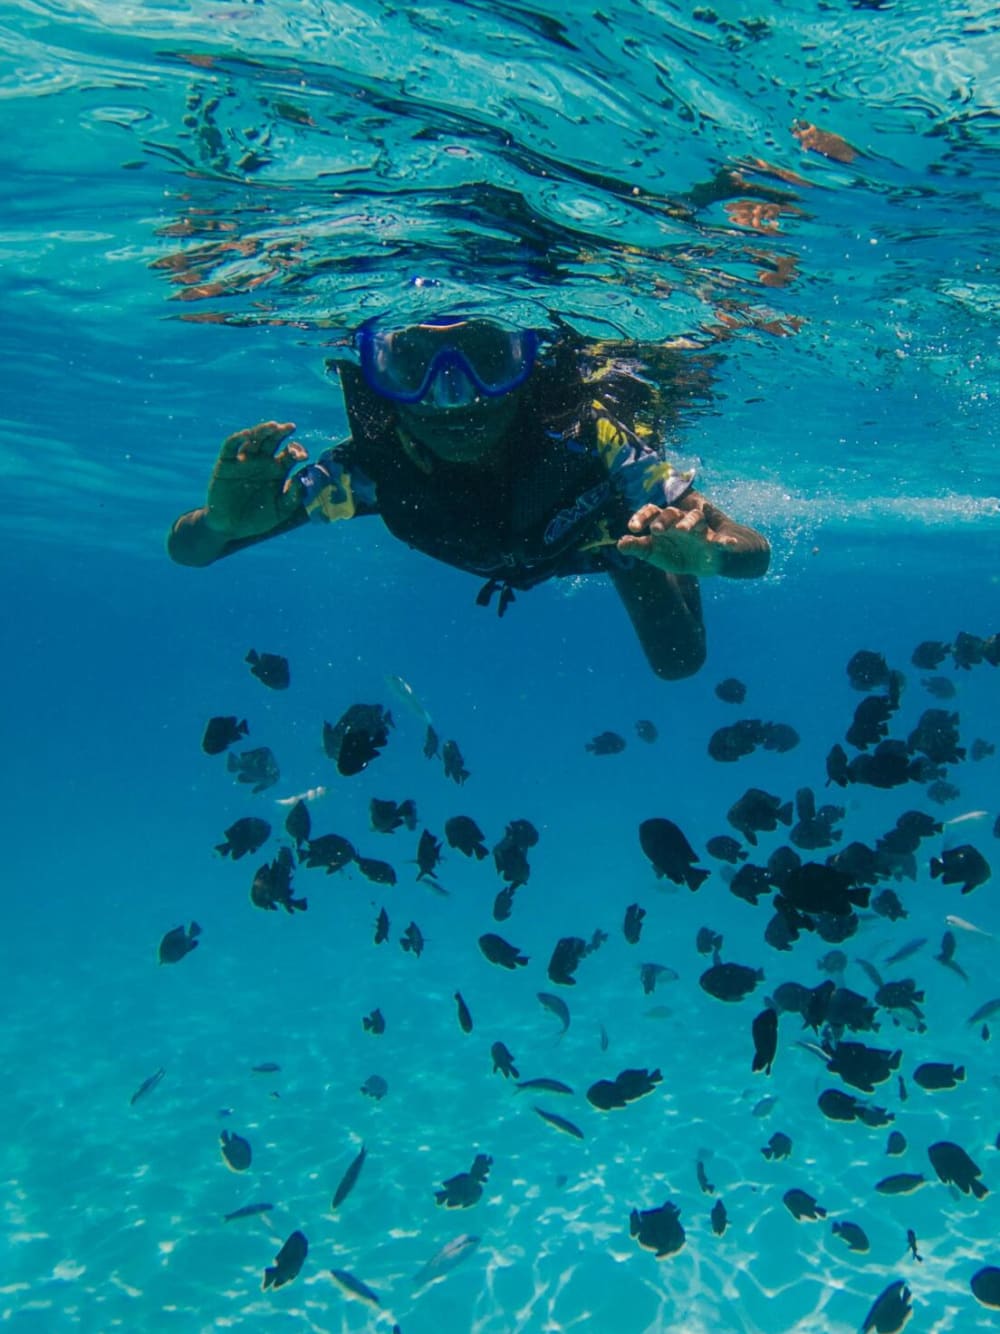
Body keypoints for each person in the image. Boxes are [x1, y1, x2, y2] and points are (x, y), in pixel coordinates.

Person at [168, 316, 770, 678]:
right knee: (676, 663)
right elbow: (192, 550)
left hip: (615, 538)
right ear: (382, 381)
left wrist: (709, 554)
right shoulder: (369, 470)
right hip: (539, 544)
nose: (453, 397)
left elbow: (752, 549)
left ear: (524, 366)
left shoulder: (595, 438)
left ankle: (656, 551)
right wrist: (221, 522)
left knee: (679, 662)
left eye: (485, 360)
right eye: (414, 368)